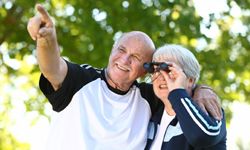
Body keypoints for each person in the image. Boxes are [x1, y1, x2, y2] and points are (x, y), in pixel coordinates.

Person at [27, 4, 223, 150]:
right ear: (113, 50)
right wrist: (47, 39)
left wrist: (201, 90)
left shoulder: (149, 97)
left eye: (136, 57)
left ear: (146, 71)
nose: (125, 59)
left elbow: (176, 87)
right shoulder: (81, 80)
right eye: (121, 50)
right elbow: (52, 67)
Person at [145, 44, 227, 150]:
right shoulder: (151, 111)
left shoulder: (208, 108)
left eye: (168, 70)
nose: (161, 77)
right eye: (155, 70)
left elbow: (202, 137)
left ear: (190, 80)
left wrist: (177, 91)